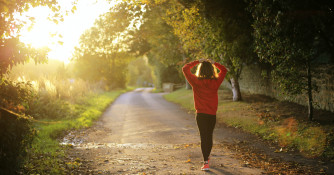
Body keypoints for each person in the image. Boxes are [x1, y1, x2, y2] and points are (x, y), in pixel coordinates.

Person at [182, 58, 228, 171]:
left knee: (204, 137)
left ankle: (206, 162)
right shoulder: (216, 82)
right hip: (212, 114)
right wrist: (214, 63)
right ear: (212, 70)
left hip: (201, 114)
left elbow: (185, 68)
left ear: (200, 70)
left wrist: (197, 61)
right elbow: (224, 70)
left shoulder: (195, 81)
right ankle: (207, 157)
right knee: (209, 136)